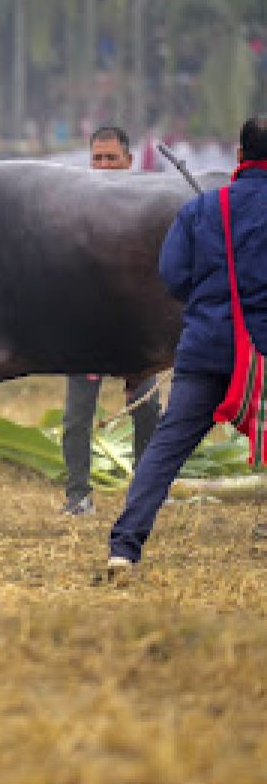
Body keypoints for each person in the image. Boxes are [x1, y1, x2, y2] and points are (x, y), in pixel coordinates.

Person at [107, 116, 267, 576]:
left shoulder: (201, 211)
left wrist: (212, 298)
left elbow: (174, 276)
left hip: (206, 349)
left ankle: (123, 548)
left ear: (239, 155)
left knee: (164, 452)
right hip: (262, 357)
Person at [61, 126, 162, 516]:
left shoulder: (151, 205)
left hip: (136, 327)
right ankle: (77, 496)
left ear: (129, 161)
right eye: (97, 158)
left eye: (111, 158)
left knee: (147, 408)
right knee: (77, 416)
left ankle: (148, 489)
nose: (103, 166)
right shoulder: (74, 208)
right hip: (88, 327)